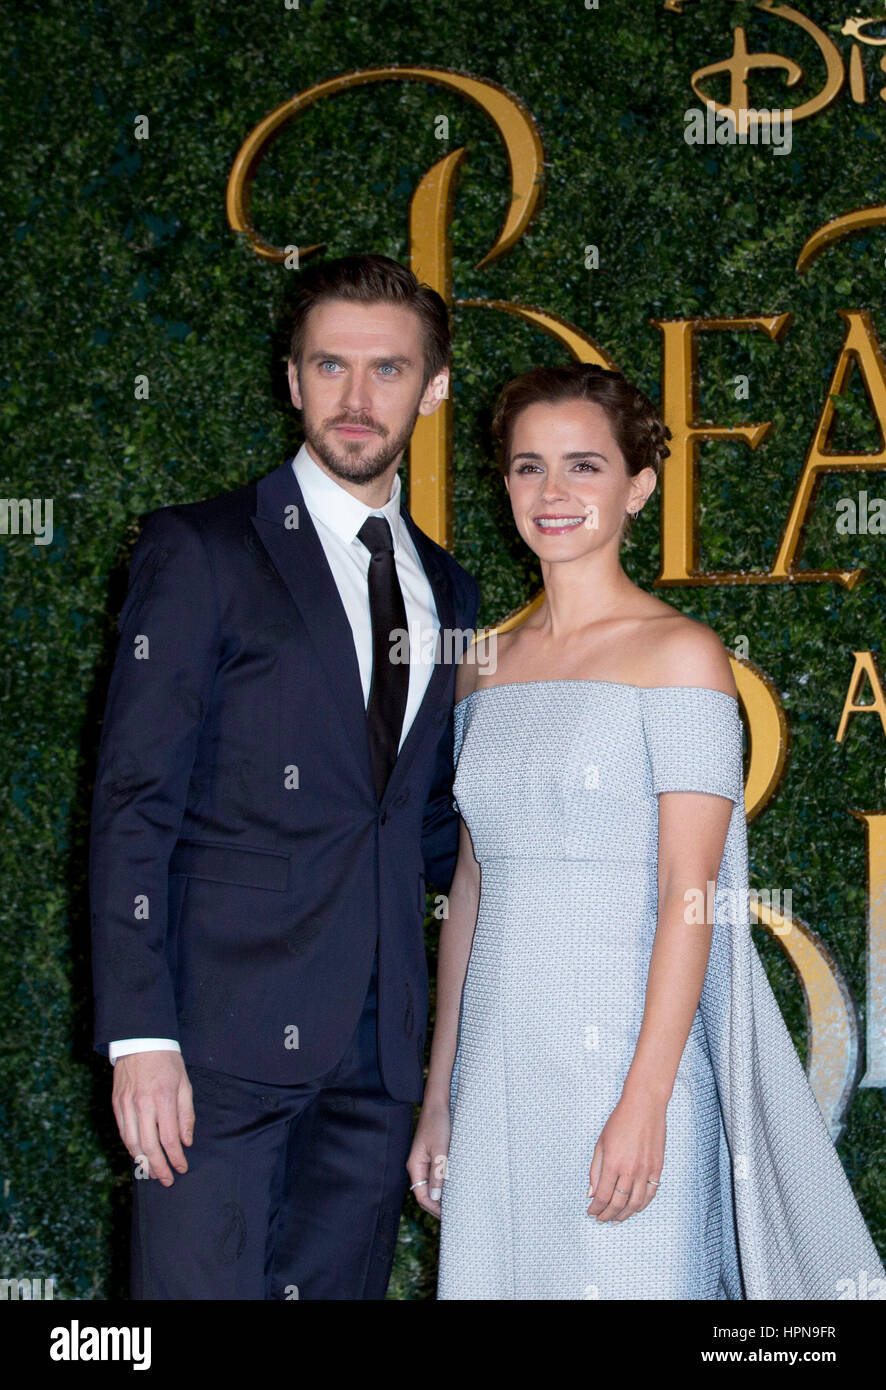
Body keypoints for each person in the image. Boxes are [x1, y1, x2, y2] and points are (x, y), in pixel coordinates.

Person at [407, 362, 886, 1299]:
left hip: (626, 1070)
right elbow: (470, 891)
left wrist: (647, 1099)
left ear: (639, 487)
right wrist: (439, 1098)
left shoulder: (683, 656)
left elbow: (690, 893)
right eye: (527, 467)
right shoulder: (483, 667)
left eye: (584, 466)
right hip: (501, 1080)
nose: (552, 493)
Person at [90, 253, 480, 1299]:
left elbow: (426, 819)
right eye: (331, 366)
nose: (358, 400)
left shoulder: (448, 585)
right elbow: (133, 800)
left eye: (388, 370)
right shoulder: (202, 549)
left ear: (433, 388)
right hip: (213, 1046)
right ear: (293, 378)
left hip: (375, 1055)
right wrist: (141, 1037)